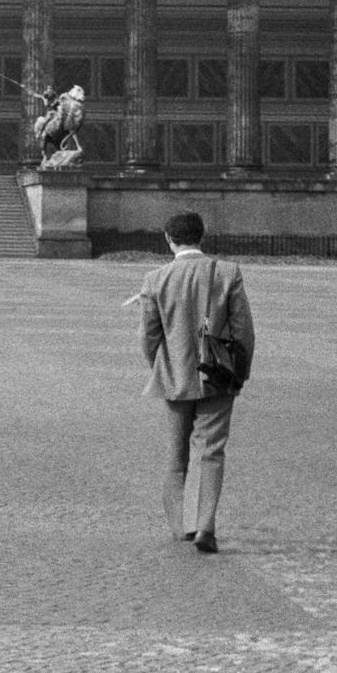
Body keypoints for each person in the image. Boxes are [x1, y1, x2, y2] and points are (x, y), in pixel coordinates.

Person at [136, 210, 255, 555]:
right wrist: (239, 373)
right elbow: (244, 331)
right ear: (202, 236)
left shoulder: (155, 279)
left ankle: (181, 527)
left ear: (168, 239)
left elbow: (148, 336)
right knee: (212, 452)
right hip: (218, 377)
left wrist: (159, 367)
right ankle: (205, 526)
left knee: (176, 456)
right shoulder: (227, 272)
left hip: (174, 376)